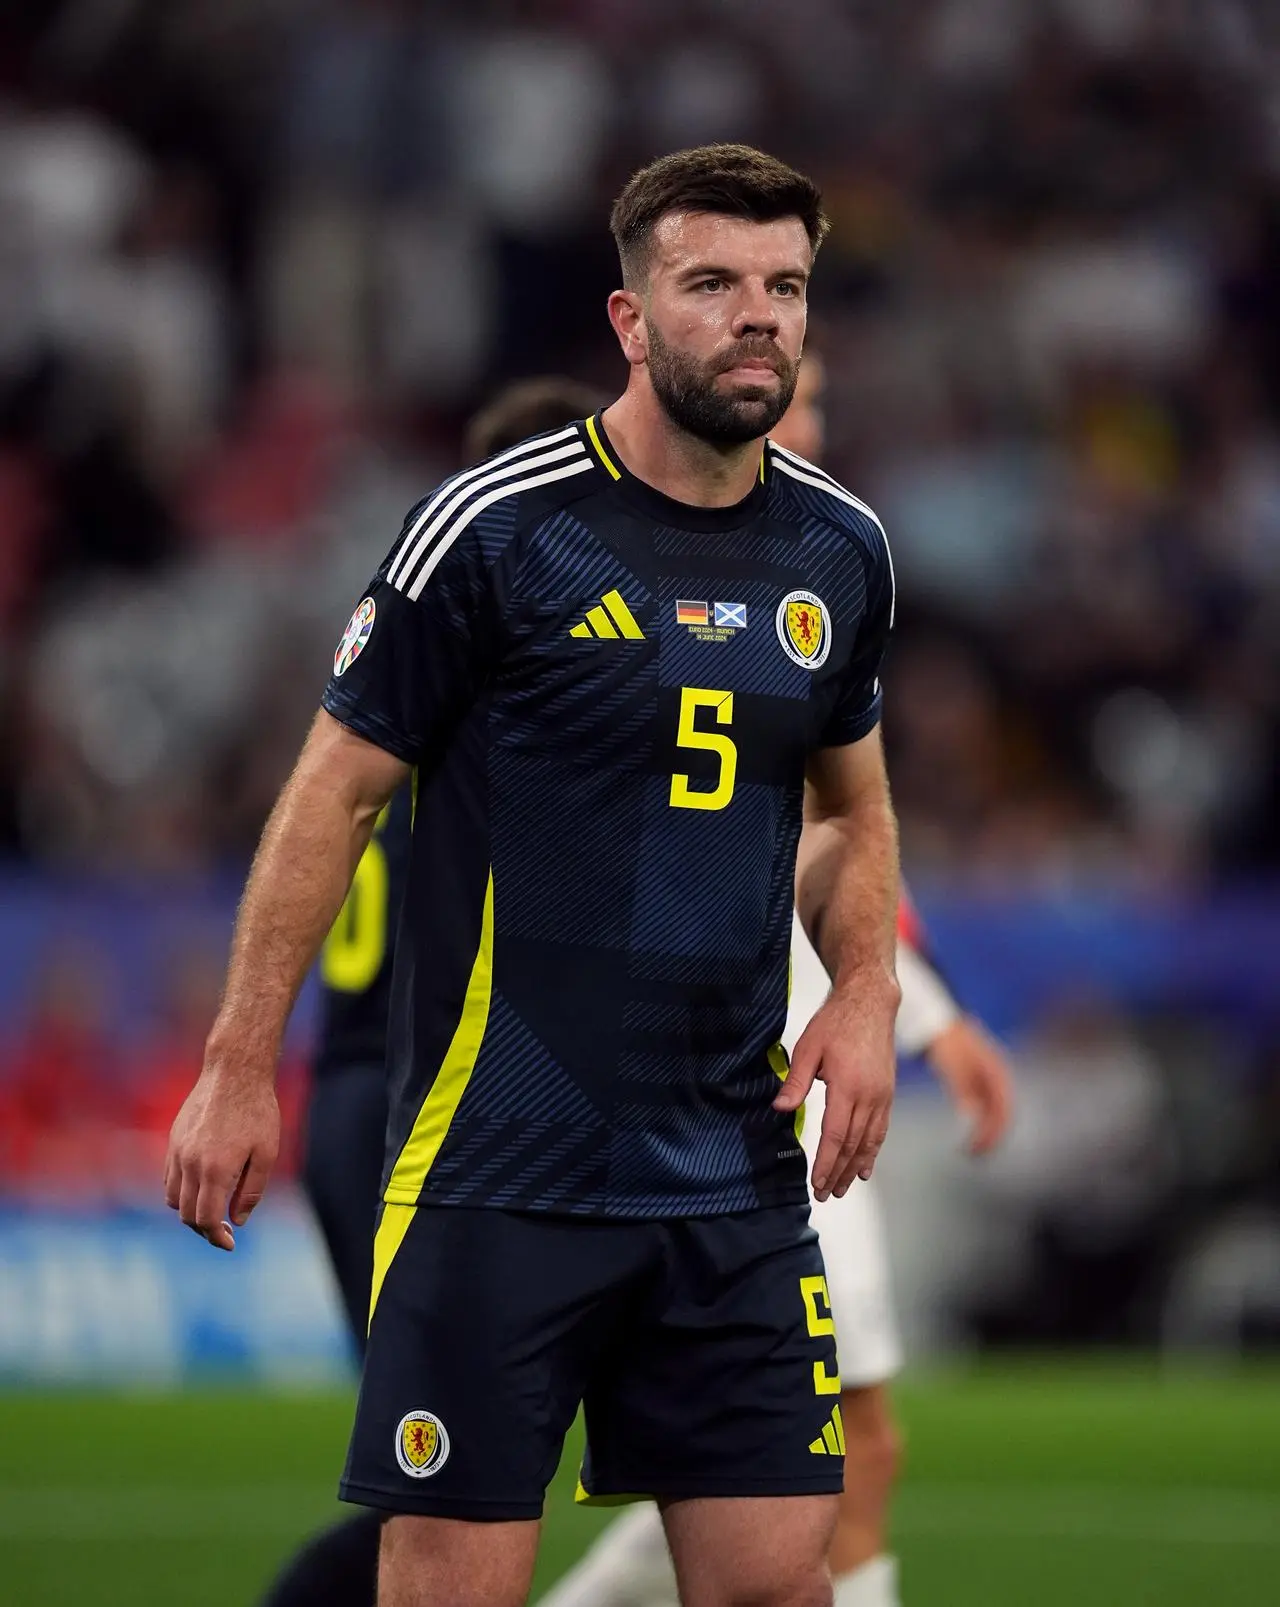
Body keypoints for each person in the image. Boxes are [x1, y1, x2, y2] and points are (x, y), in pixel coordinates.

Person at [166, 143, 900, 1607]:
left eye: (785, 286)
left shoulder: (843, 548)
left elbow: (851, 812)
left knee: (778, 1581)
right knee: (450, 1589)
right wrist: (241, 1057)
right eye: (712, 284)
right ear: (630, 320)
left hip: (732, 1170)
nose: (758, 316)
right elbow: (335, 790)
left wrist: (870, 984)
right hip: (499, 1165)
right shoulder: (496, 529)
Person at [537, 355, 1014, 1607]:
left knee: (782, 1461)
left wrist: (924, 1012)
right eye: (797, 401)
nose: (807, 423)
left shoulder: (812, 568)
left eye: (812, 403)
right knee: (829, 1446)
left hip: (794, 1059)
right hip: (743, 1081)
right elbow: (781, 839)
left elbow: (836, 839)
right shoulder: (690, 579)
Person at [259, 375, 608, 1607]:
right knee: (450, 1469)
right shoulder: (488, 684)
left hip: (363, 1086)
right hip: (409, 1099)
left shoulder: (413, 676)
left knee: (463, 1456)